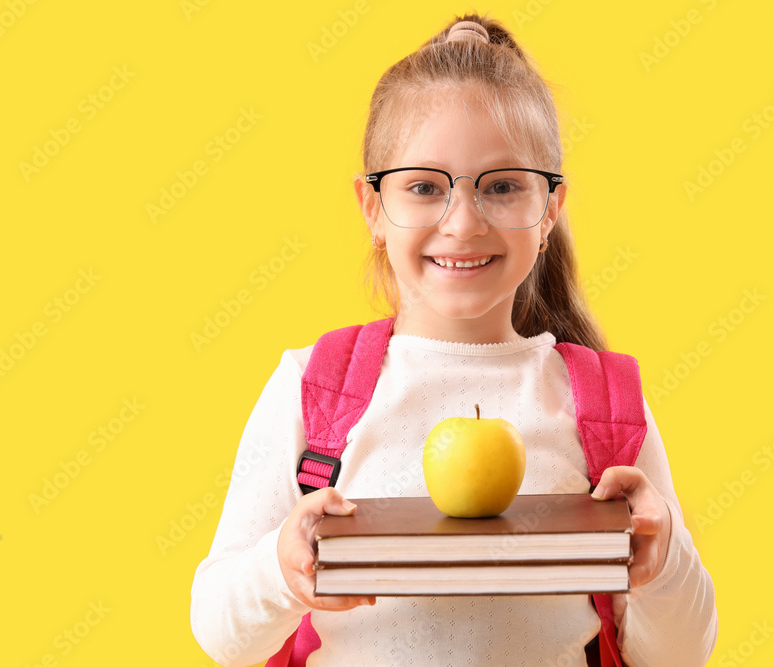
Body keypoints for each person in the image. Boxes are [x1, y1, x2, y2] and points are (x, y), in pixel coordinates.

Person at [191, 13, 718, 667]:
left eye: (501, 186)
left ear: (549, 209)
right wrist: (279, 569)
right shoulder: (311, 389)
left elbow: (679, 655)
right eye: (423, 187)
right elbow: (219, 630)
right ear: (372, 207)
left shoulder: (603, 406)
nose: (463, 222)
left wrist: (660, 560)